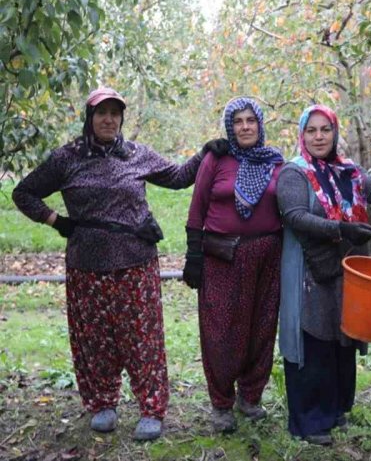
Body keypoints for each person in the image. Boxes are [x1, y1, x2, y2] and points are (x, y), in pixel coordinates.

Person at [11, 87, 226, 441]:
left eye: (115, 113)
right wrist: (55, 220)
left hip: (135, 262)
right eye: (101, 113)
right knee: (94, 339)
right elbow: (23, 193)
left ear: (122, 118)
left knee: (142, 338)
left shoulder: (135, 155)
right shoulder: (67, 159)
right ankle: (102, 405)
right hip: (86, 265)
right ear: (89, 118)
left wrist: (204, 153)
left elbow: (177, 177)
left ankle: (151, 408)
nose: (109, 119)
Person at [275, 104, 371, 445]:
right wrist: (342, 230)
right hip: (309, 271)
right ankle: (310, 420)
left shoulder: (348, 171)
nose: (319, 136)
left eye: (325, 129)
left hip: (344, 270)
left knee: (339, 337)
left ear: (335, 132)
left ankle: (335, 409)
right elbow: (295, 217)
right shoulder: (293, 173)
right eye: (311, 130)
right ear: (302, 134)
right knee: (314, 337)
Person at [183, 97, 285, 433]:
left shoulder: (275, 163)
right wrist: (193, 255)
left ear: (260, 125)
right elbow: (197, 208)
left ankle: (250, 397)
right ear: (230, 126)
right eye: (238, 121)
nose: (245, 127)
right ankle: (222, 403)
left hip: (267, 257)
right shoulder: (216, 158)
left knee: (261, 328)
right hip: (222, 257)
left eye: (250, 121)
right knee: (221, 332)